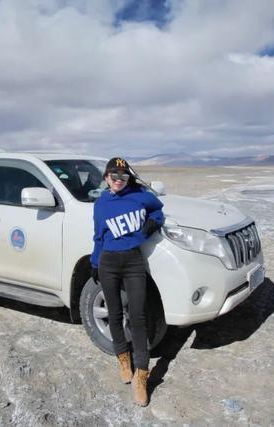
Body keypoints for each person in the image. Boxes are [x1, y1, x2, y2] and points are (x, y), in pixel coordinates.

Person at [89, 157, 164, 407]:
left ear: (128, 178)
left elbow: (158, 209)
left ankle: (142, 374)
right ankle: (123, 359)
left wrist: (151, 225)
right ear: (106, 178)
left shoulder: (140, 196)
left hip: (133, 262)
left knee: (138, 315)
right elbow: (99, 237)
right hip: (108, 262)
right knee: (114, 313)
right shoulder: (101, 205)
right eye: (113, 176)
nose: (118, 180)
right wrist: (95, 262)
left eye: (123, 176)